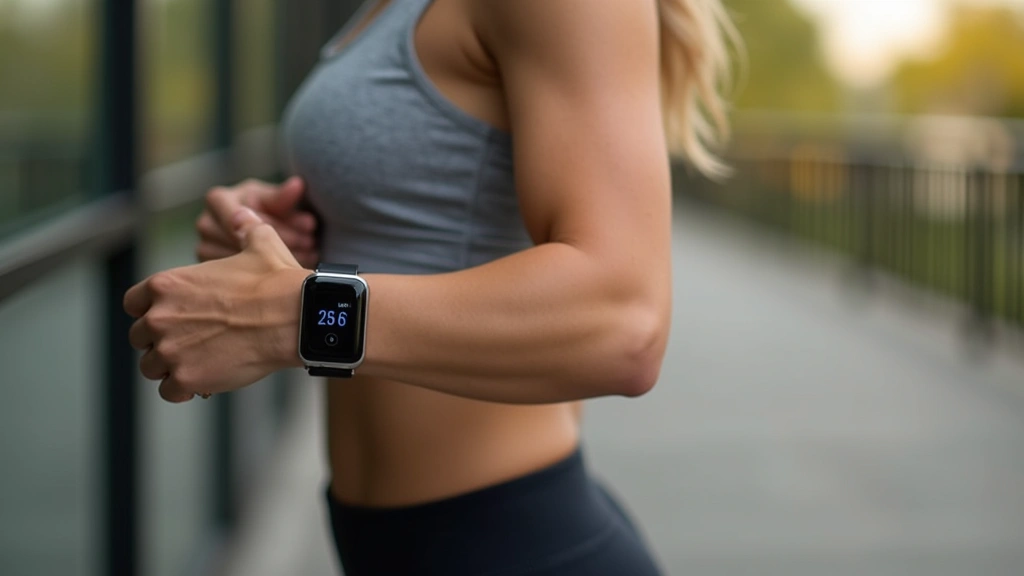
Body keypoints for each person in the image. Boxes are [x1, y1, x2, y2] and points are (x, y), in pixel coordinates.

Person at [123, 0, 734, 573]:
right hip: (387, 542)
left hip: (511, 543)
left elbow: (622, 321)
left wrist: (291, 314)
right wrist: (273, 233)